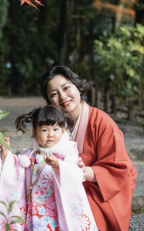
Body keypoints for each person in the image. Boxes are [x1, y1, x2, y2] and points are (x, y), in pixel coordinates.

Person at [40, 65, 137, 231]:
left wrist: (89, 173)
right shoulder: (54, 126)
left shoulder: (102, 122)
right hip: (63, 185)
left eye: (66, 88)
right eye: (54, 94)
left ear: (77, 87)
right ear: (49, 101)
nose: (63, 97)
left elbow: (120, 168)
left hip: (97, 190)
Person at [0, 105, 98, 231]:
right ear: (35, 132)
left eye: (55, 129)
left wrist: (57, 165)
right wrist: (5, 152)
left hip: (59, 204)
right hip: (37, 206)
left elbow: (75, 173)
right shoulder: (31, 154)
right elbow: (14, 166)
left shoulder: (67, 151)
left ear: (63, 130)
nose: (50, 134)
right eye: (44, 130)